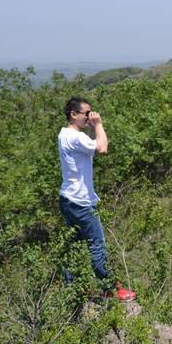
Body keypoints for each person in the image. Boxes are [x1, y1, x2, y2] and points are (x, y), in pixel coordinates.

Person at [58, 97, 135, 301]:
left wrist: (92, 128)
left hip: (68, 199)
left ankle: (71, 290)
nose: (90, 116)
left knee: (73, 246)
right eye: (86, 113)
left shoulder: (65, 135)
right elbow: (102, 148)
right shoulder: (75, 137)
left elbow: (91, 145)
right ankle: (111, 288)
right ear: (73, 114)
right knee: (97, 245)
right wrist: (99, 125)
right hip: (82, 203)